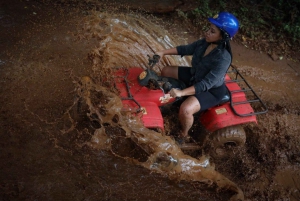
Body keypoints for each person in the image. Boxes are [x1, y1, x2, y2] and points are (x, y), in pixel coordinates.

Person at [155, 12, 239, 142]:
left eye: (212, 31)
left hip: (210, 91)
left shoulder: (223, 58)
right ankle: (170, 100)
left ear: (222, 37)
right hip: (195, 75)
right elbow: (186, 49)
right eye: (208, 29)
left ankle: (184, 135)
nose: (207, 32)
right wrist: (162, 52)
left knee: (186, 110)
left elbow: (205, 84)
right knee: (166, 71)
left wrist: (181, 92)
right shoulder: (205, 42)